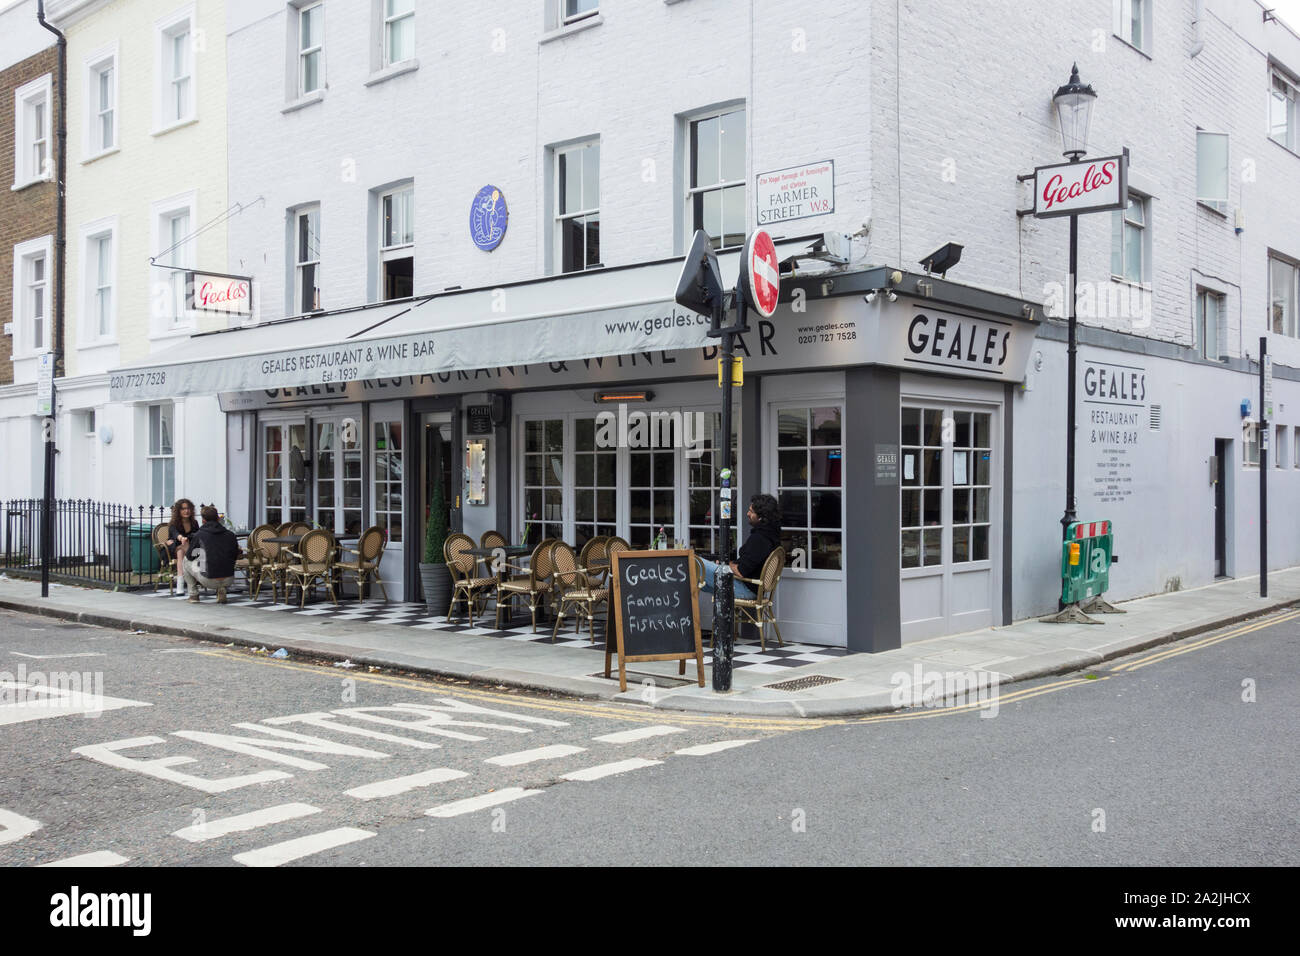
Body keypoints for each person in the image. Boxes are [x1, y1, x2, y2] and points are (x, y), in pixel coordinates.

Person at [700, 493, 782, 600]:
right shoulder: (770, 536)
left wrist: (723, 564)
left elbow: (741, 571)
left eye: (751, 512)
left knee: (694, 561)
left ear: (762, 517)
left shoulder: (760, 539)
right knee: (698, 578)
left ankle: (684, 611)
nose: (747, 514)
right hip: (752, 588)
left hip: (744, 590)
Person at [182, 506, 241, 604]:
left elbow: (190, 557)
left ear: (203, 520)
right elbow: (235, 555)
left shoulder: (199, 535)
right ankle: (222, 589)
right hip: (229, 578)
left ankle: (194, 595)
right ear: (218, 518)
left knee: (185, 561)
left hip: (208, 579)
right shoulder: (230, 535)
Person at [166, 499, 200, 596]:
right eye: (183, 509)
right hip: (175, 548)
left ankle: (182, 584)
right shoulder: (174, 523)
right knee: (180, 550)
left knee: (185, 548)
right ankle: (183, 583)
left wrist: (187, 539)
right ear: (178, 511)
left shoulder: (194, 523)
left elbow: (197, 535)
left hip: (191, 548)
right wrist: (181, 538)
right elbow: (175, 534)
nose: (186, 511)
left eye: (188, 508)